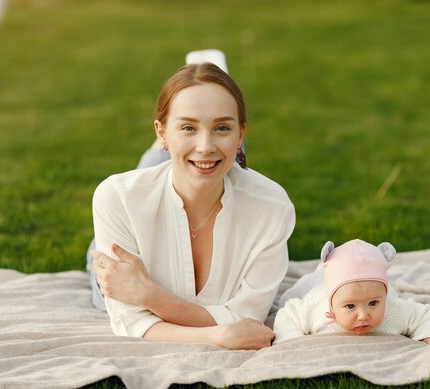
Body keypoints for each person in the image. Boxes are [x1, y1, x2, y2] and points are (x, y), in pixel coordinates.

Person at [89, 62, 295, 350]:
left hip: (209, 172)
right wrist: (218, 334)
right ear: (160, 131)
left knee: (201, 161)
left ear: (242, 133)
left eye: (222, 127)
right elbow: (129, 321)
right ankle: (175, 138)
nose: (206, 144)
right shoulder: (117, 198)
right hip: (133, 225)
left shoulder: (272, 208)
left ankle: (201, 124)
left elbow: (246, 318)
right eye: (189, 126)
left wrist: (147, 295)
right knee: (156, 171)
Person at [273, 239, 430, 345]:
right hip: (319, 283)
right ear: (332, 303)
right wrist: (291, 341)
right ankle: (325, 270)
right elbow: (287, 316)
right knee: (296, 293)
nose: (363, 315)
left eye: (373, 303)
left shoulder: (394, 310)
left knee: (378, 287)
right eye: (350, 306)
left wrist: (429, 332)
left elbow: (421, 315)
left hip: (374, 283)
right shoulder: (315, 308)